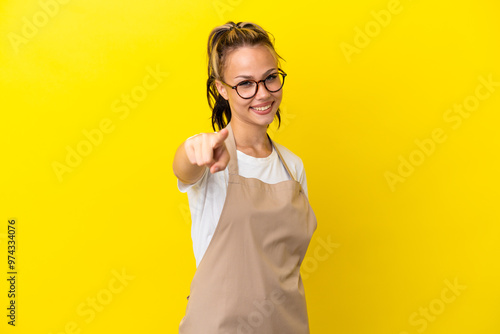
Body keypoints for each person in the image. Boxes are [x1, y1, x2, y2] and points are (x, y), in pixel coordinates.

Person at [173, 21, 317, 334]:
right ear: (221, 88)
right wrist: (191, 148)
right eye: (245, 83)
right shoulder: (212, 155)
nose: (262, 93)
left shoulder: (292, 167)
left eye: (270, 78)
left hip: (286, 325)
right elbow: (184, 167)